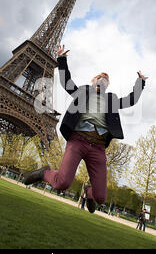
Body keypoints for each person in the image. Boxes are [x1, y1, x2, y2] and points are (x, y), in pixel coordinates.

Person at [23, 44, 148, 214]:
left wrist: (140, 82)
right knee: (62, 183)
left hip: (97, 148)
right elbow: (66, 83)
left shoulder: (112, 100)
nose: (104, 78)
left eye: (106, 78)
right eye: (100, 76)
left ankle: (89, 194)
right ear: (93, 80)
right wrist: (62, 59)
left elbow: (131, 100)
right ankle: (44, 173)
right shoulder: (83, 91)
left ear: (108, 85)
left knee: (101, 197)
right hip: (78, 141)